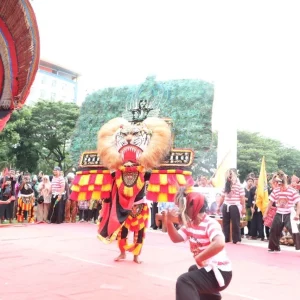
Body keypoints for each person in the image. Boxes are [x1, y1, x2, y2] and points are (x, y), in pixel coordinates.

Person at [166, 188, 232, 300]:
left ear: (193, 206)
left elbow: (220, 243)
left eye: (185, 207)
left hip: (220, 272)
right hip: (209, 269)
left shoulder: (210, 223)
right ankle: (212, 297)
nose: (182, 210)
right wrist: (168, 221)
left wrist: (199, 258)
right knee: (193, 270)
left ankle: (212, 294)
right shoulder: (190, 224)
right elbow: (176, 238)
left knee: (184, 281)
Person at [263, 171, 300, 252]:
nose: (280, 186)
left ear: (285, 182)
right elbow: (270, 203)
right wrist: (265, 213)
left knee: (295, 230)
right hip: (279, 213)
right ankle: (274, 247)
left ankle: (299, 246)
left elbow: (298, 203)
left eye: (281, 184)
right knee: (274, 230)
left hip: (289, 213)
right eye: (278, 184)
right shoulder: (276, 191)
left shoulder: (292, 191)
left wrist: (297, 214)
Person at [217, 169, 246, 244]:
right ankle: (226, 239)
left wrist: (243, 208)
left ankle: (237, 239)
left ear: (234, 176)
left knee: (235, 223)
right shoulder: (225, 185)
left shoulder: (239, 185)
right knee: (225, 223)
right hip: (226, 205)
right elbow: (222, 197)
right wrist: (218, 206)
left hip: (235, 205)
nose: (230, 176)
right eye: (228, 175)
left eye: (231, 175)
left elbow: (242, 197)